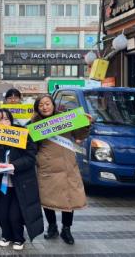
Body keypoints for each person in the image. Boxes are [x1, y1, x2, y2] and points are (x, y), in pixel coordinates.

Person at [31, 94, 91, 245]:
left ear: (53, 105)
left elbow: (79, 136)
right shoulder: (34, 124)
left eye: (47, 104)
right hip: (47, 166)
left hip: (67, 165)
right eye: (41, 105)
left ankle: (66, 229)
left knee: (68, 198)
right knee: (47, 198)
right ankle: (52, 227)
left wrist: (86, 124)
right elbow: (31, 146)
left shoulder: (66, 118)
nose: (45, 107)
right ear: (37, 108)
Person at [0, 109, 43, 251]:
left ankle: (18, 238)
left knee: (15, 215)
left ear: (11, 121)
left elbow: (30, 157)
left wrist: (13, 165)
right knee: (2, 213)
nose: (3, 122)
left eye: (6, 119)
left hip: (21, 183)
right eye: (0, 119)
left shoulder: (22, 134)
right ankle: (6, 235)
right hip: (3, 183)